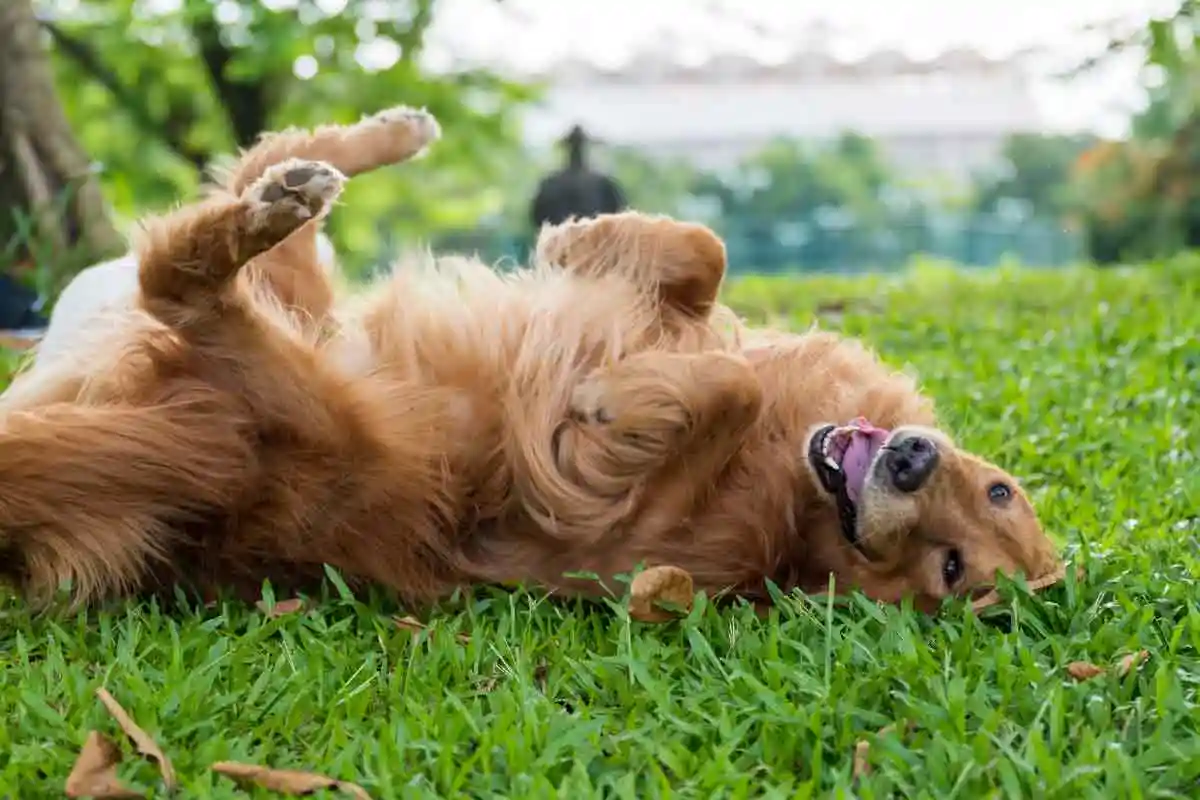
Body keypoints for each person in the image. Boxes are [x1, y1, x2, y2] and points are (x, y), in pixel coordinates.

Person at [529, 125, 627, 231]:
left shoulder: (550, 183)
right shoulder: (603, 183)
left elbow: (537, 219)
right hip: (573, 243)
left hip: (577, 242)